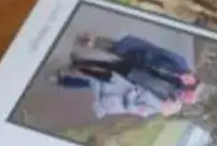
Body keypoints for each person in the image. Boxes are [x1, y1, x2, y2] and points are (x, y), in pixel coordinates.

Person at [56, 34, 199, 120]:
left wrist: (163, 107)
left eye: (187, 97)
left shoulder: (168, 104)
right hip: (135, 71)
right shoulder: (176, 80)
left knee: (98, 78)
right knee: (107, 66)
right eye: (188, 93)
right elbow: (161, 67)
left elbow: (139, 109)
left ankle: (73, 72)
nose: (184, 95)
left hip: (127, 85)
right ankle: (79, 63)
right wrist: (181, 73)